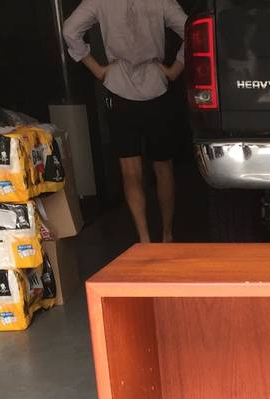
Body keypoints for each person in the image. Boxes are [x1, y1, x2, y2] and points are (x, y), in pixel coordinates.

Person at [63, 0, 188, 243]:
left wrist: (97, 69)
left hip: (119, 89)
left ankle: (144, 239)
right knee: (163, 168)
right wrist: (175, 69)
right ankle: (167, 236)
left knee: (130, 171)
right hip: (156, 87)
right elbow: (191, 30)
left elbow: (70, 30)